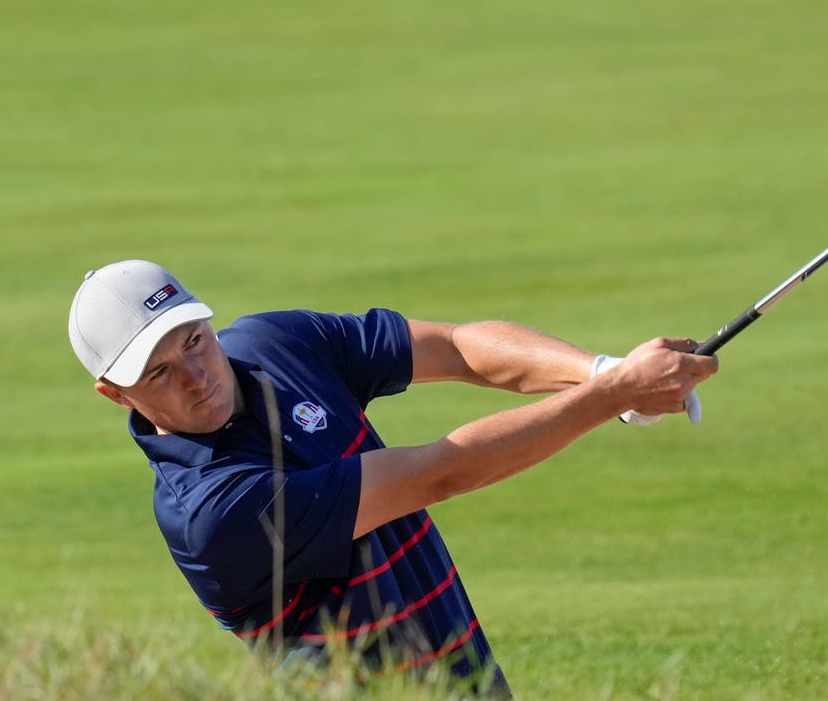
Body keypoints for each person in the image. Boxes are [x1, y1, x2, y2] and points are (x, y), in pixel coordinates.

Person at [67, 259, 718, 695]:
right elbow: (439, 473)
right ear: (113, 394)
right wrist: (611, 398)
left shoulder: (272, 346)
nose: (198, 374)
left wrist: (603, 372)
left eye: (194, 341)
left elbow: (454, 348)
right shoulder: (212, 509)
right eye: (159, 373)